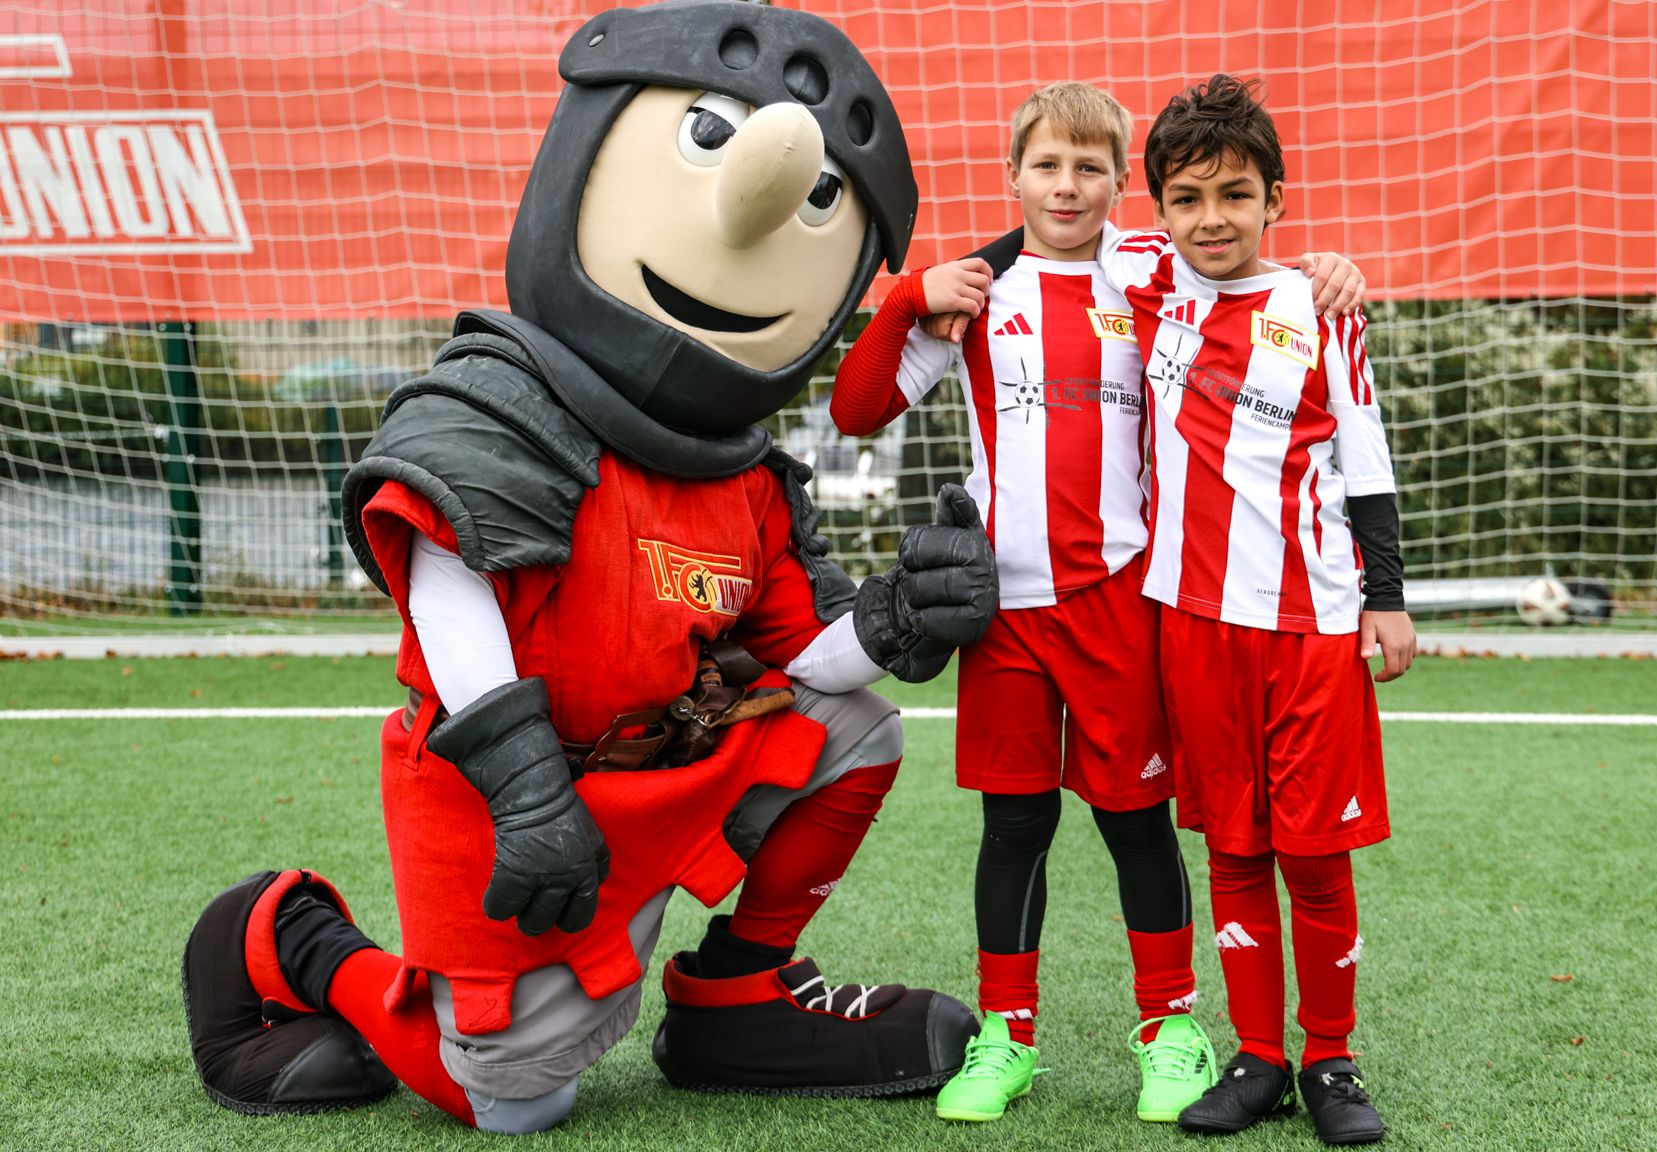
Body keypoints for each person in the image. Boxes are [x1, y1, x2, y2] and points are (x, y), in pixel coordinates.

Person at [179, 2, 998, 1133]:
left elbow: (803, 651)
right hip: (504, 792)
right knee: (512, 1098)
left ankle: (737, 995)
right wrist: (523, 786)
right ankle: (288, 937)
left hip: (655, 768)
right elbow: (446, 573)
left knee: (854, 721)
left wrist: (899, 618)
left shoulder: (747, 475)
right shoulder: (503, 399)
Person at [830, 80, 1369, 1126]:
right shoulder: (977, 289)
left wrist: (1329, 269)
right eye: (1047, 166)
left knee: (1136, 825)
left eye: (1089, 167)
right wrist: (905, 296)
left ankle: (1171, 1031)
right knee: (1015, 825)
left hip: (1127, 602)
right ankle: (1005, 1038)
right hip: (1010, 617)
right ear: (1013, 176)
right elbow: (856, 412)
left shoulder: (1155, 267)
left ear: (1125, 183)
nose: (1067, 186)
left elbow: (1253, 271)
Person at [1091, 74, 1416, 1144]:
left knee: (1314, 857)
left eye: (1236, 194)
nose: (1212, 218)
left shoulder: (1322, 307)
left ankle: (1330, 1060)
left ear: (1276, 197)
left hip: (1313, 624)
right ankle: (1260, 1056)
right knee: (1232, 849)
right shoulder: (1142, 283)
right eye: (1187, 198)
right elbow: (1047, 225)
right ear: (1160, 212)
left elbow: (1365, 462)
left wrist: (1386, 600)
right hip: (1190, 621)